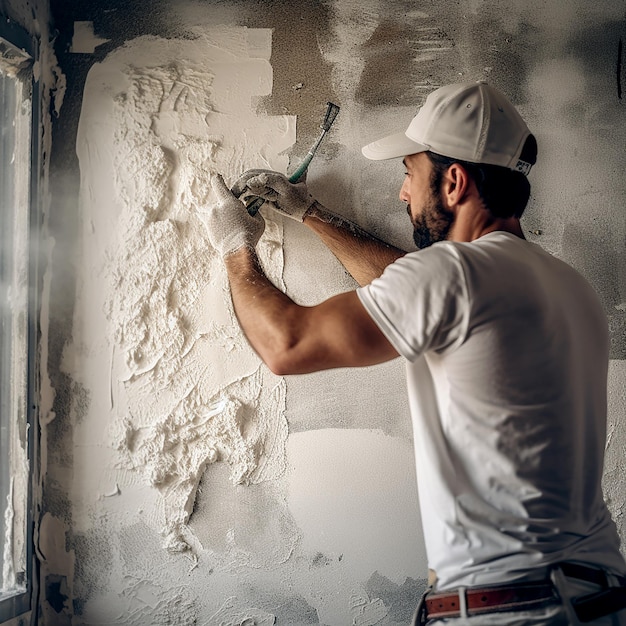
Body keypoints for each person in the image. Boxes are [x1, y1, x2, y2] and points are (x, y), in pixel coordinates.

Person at [200, 81, 626, 625]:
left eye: (409, 172)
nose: (403, 193)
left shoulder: (456, 277)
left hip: (513, 610)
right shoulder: (565, 285)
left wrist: (235, 248)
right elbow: (412, 292)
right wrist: (311, 212)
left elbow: (287, 344)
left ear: (453, 181)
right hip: (598, 600)